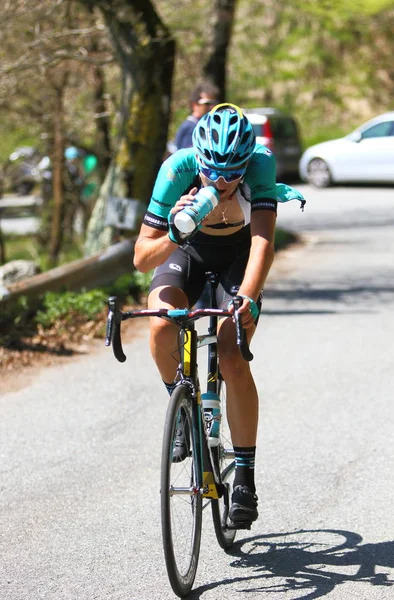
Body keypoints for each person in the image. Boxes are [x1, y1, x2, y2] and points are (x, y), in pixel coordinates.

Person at [134, 102, 283, 527]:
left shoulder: (260, 166)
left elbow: (262, 243)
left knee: (231, 350)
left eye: (231, 173)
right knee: (162, 324)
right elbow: (143, 259)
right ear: (198, 160)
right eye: (212, 173)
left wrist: (248, 297)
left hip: (239, 255)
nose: (221, 182)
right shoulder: (177, 168)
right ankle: (182, 410)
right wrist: (176, 231)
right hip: (186, 252)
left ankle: (245, 479)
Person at [174, 82, 220, 150]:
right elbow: (189, 157)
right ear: (194, 105)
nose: (212, 107)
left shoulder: (202, 125)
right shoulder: (191, 127)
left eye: (214, 103)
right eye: (207, 103)